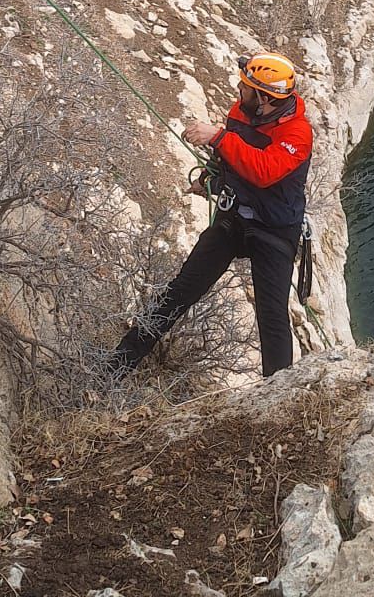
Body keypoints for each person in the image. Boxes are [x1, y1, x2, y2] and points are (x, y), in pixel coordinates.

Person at [110, 52, 313, 380]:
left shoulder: (297, 134)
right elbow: (233, 161)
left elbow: (264, 171)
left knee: (272, 319)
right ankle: (115, 367)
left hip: (274, 229)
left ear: (265, 97)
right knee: (178, 293)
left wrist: (218, 136)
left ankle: (278, 397)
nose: (238, 90)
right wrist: (210, 180)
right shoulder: (242, 113)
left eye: (245, 87)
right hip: (235, 218)